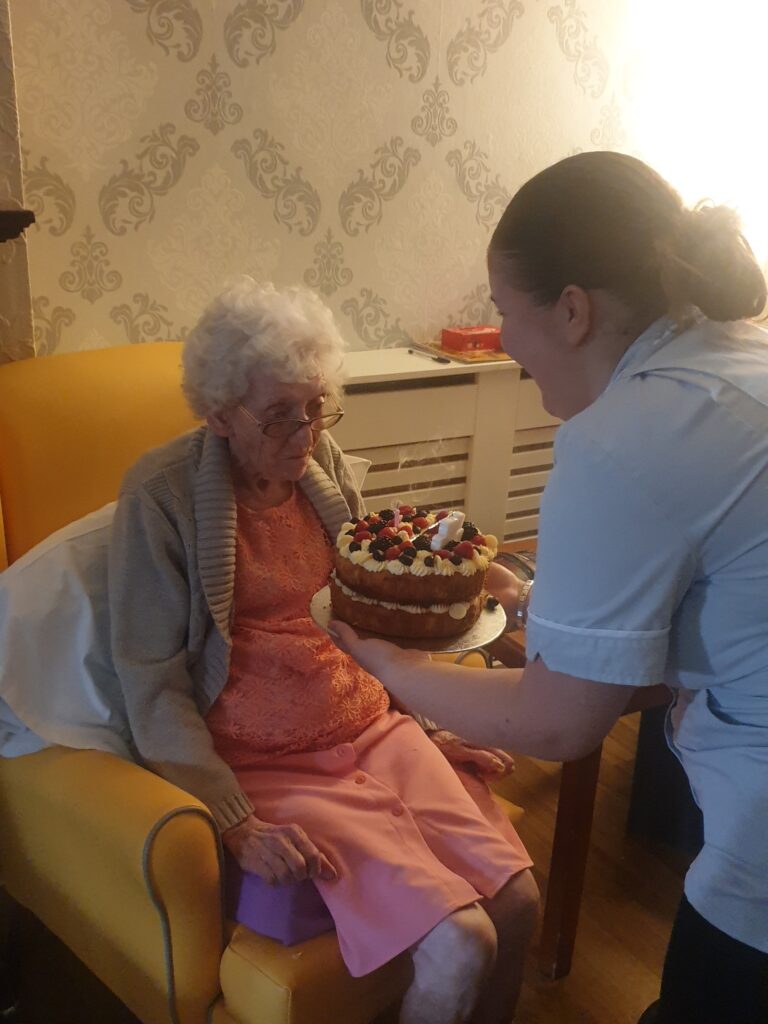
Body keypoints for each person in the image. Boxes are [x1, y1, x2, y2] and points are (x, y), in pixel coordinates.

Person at [331, 151, 768, 1024]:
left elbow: (556, 723)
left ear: (573, 310)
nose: (502, 341)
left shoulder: (624, 439)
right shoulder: (740, 359)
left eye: (503, 311)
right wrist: (551, 611)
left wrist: (389, 663)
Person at [108, 277, 538, 1024]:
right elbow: (151, 678)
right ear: (219, 413)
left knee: (520, 903)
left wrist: (429, 723)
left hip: (374, 725)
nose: (306, 433)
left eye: (316, 406)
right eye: (281, 415)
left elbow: (368, 611)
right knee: (463, 942)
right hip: (266, 763)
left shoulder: (321, 466)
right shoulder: (161, 495)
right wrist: (233, 819)